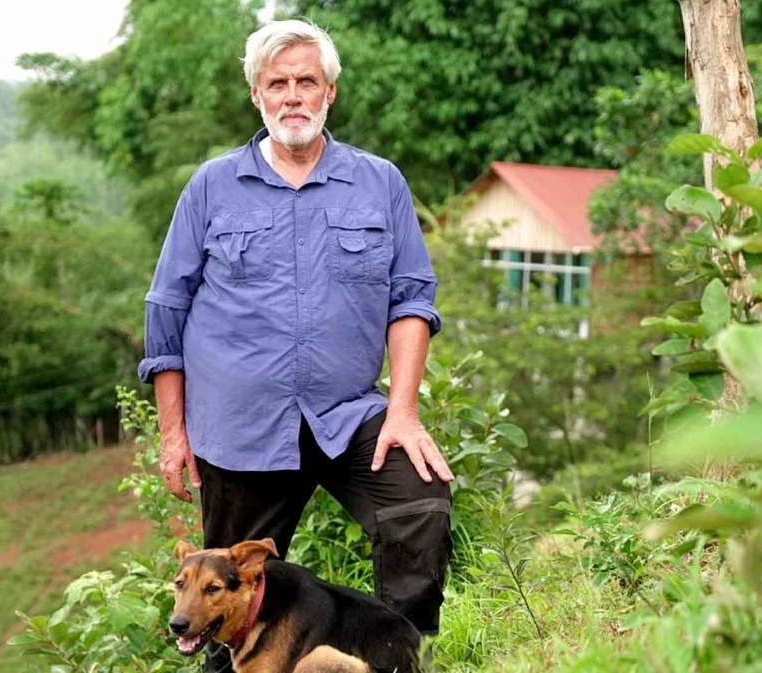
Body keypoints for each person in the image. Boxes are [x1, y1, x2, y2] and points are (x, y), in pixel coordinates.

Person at [138, 19, 451, 671]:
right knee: (225, 602)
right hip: (239, 427)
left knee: (419, 498)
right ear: (257, 96)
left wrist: (404, 409)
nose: (292, 95)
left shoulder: (379, 182)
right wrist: (174, 432)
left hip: (345, 413)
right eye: (276, 83)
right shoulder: (212, 187)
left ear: (329, 91)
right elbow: (166, 309)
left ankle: (399, 653)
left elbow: (412, 298)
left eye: (306, 80)